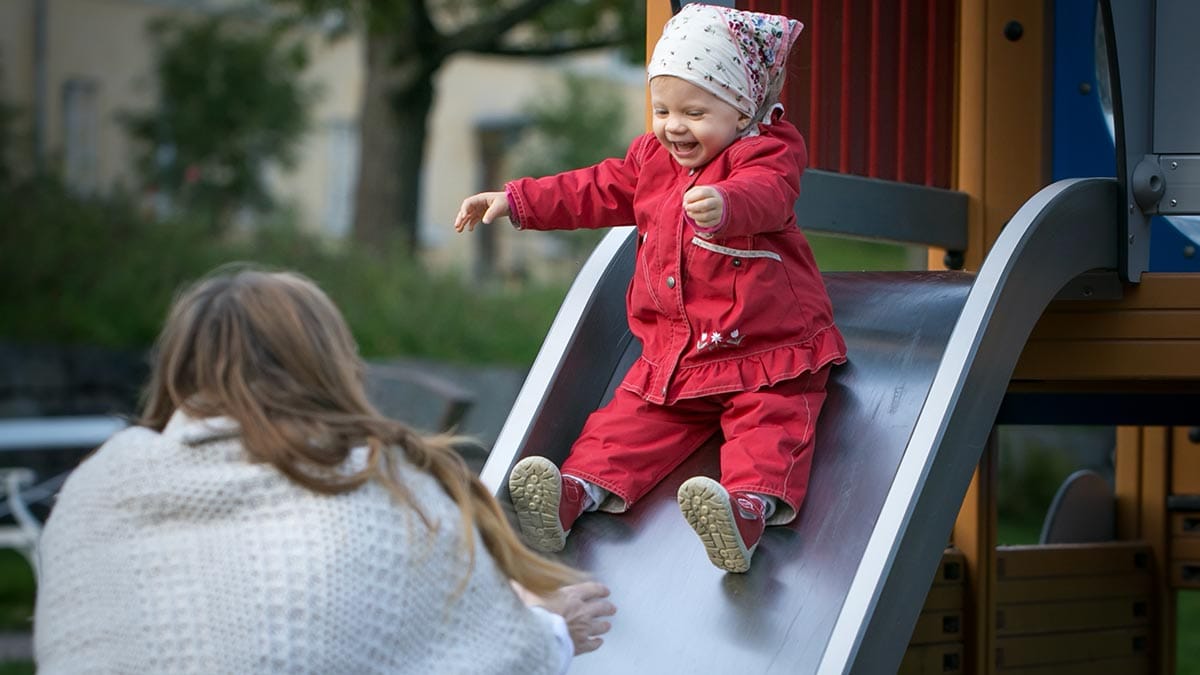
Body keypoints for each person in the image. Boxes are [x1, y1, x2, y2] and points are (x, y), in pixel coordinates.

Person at [33, 266, 615, 674]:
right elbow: (472, 659)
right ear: (328, 362)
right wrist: (549, 627)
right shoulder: (374, 485)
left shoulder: (99, 485)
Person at [454, 3, 846, 574]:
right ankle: (572, 495)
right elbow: (589, 189)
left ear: (742, 111)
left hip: (768, 347)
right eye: (661, 109)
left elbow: (771, 192)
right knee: (624, 425)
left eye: (694, 111)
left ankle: (745, 510)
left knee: (771, 422)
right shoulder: (651, 160)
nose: (673, 126)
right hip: (677, 357)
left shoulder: (765, 150)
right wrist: (515, 201)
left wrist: (728, 205)